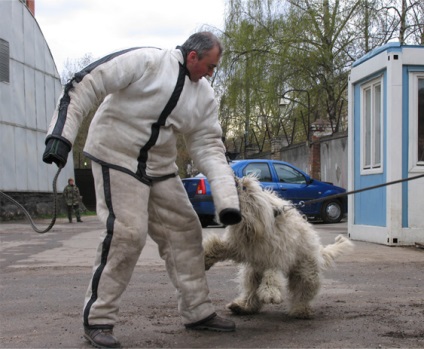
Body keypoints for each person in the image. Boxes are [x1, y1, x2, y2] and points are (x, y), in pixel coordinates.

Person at [42, 32, 241, 348]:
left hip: (159, 167)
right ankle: (98, 319)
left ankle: (198, 312)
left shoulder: (203, 96)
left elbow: (208, 145)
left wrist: (227, 200)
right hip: (115, 154)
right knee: (127, 234)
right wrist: (61, 136)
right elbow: (87, 82)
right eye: (210, 66)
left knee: (186, 231)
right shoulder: (146, 61)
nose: (211, 73)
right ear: (193, 56)